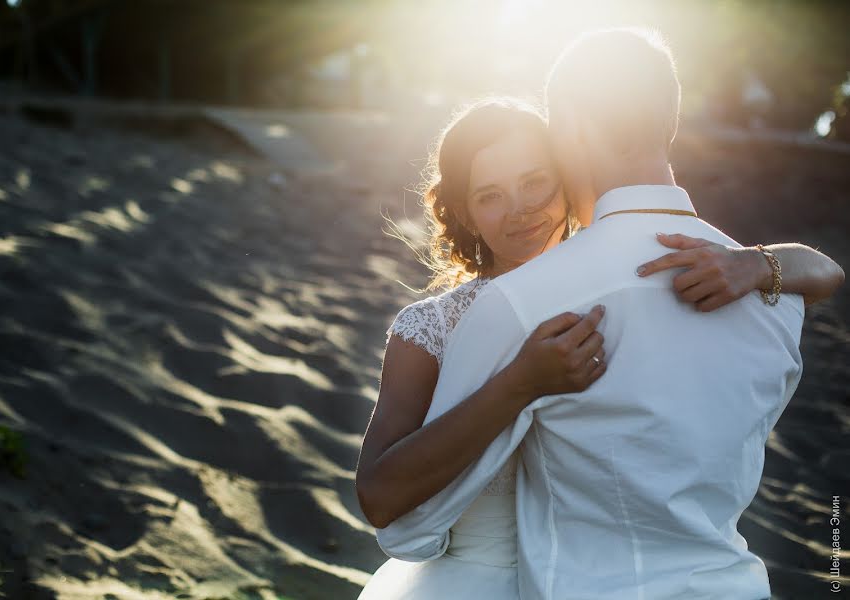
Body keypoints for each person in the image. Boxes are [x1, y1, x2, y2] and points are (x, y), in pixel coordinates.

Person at [358, 85, 844, 599]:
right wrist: (520, 384)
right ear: (465, 212)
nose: (519, 210)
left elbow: (827, 272)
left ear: (567, 179)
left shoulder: (622, 281)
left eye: (535, 182)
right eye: (490, 196)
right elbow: (379, 494)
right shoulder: (430, 327)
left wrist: (760, 262)